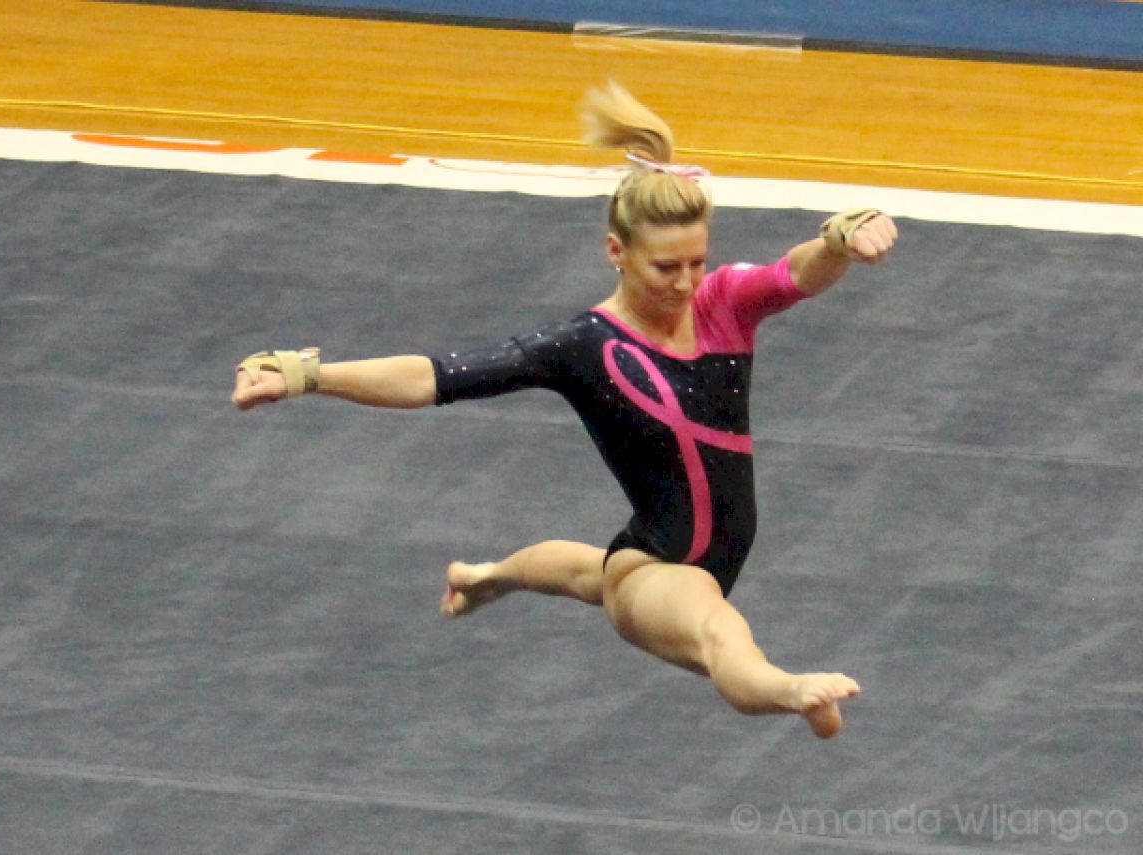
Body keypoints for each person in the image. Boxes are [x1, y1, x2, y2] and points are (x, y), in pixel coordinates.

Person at [233, 82, 898, 739]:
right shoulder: (584, 346)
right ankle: (792, 690)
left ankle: (485, 575)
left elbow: (796, 271)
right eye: (666, 267)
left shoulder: (723, 303)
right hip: (660, 575)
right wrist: (307, 374)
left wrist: (839, 239)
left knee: (587, 571)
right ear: (617, 251)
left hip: (648, 549)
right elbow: (436, 376)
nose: (686, 282)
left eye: (697, 261)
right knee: (717, 628)